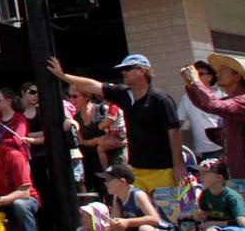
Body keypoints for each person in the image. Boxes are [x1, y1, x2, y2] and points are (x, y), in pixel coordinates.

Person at [50, 54, 185, 192]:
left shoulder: (161, 99)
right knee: (142, 210)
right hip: (137, 169)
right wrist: (63, 76)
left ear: (142, 70)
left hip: (163, 169)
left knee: (166, 212)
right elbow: (93, 85)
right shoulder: (124, 94)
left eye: (127, 68)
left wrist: (179, 165)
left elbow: (174, 132)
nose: (123, 72)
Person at [181, 53, 245, 178]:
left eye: (222, 70)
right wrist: (190, 84)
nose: (217, 73)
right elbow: (205, 105)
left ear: (237, 77)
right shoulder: (232, 100)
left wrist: (196, 82)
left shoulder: (242, 101)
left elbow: (215, 106)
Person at [178, 60, 224, 160]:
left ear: (210, 77)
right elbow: (178, 121)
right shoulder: (187, 98)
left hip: (222, 149)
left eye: (200, 74)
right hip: (201, 152)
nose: (196, 77)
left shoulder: (221, 96)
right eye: (195, 74)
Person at [0, 88, 29, 159]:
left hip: (17, 159)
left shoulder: (20, 119)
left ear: (9, 101)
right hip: (1, 158)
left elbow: (18, 141)